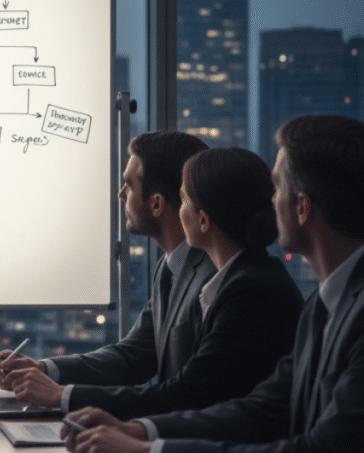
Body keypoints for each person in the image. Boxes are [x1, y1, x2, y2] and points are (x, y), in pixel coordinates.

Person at [60, 115, 364, 453]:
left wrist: (148, 448)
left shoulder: (275, 294)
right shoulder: (321, 307)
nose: (269, 201)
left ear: (302, 206)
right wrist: (141, 431)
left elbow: (321, 448)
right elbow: (263, 408)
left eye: (277, 188)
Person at [0, 131, 294, 420]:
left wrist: (62, 395)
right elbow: (136, 354)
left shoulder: (232, 284)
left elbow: (190, 394)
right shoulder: (173, 267)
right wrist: (46, 371)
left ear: (159, 204)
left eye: (128, 185)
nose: (120, 195)